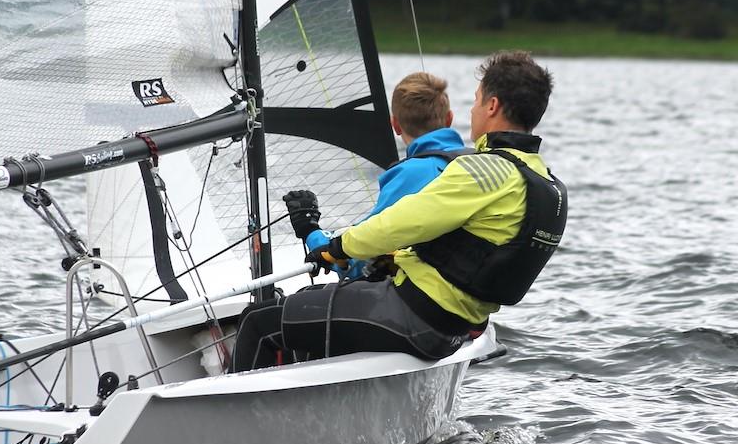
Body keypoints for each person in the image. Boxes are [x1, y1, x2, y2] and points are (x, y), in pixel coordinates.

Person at [231, 50, 567, 372]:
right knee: (307, 312)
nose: (472, 111)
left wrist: (336, 248)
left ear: (492, 106)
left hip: (416, 315)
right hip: (457, 326)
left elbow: (396, 224)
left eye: (477, 100)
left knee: (258, 322)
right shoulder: (542, 180)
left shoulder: (485, 171)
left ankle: (234, 426)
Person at [284, 71, 465, 279]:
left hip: (423, 300)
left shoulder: (413, 173)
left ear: (395, 124)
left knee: (269, 312)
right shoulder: (472, 161)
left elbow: (361, 256)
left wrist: (310, 230)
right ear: (450, 118)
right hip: (463, 291)